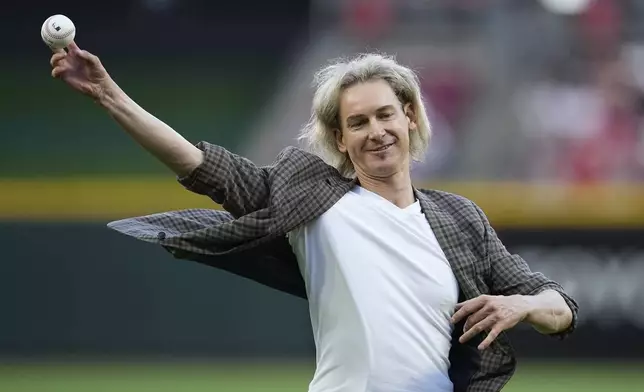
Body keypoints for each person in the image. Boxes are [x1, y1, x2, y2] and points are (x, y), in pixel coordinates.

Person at [49, 42, 579, 392]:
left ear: (410, 116)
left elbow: (562, 307)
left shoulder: (459, 218)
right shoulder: (317, 203)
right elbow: (202, 165)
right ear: (340, 139)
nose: (376, 131)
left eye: (385, 114)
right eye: (358, 122)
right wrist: (110, 96)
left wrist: (524, 302)